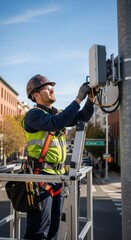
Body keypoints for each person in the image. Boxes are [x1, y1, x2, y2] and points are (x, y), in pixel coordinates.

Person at [22, 74, 95, 240]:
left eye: (52, 87)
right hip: (40, 179)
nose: (52, 90)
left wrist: (90, 98)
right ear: (36, 95)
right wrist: (78, 98)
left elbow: (83, 117)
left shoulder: (56, 113)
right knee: (39, 232)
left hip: (57, 179)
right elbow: (56, 123)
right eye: (47, 88)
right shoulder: (33, 116)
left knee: (53, 230)